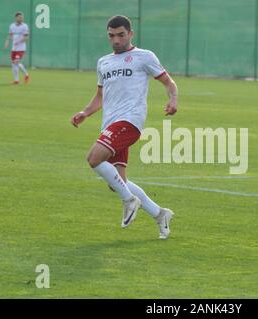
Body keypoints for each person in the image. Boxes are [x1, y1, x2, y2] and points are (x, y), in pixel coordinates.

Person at [71, 15, 178, 239]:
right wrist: (85, 112)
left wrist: (173, 99)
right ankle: (160, 214)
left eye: (121, 35)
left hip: (130, 121)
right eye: (112, 35)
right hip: (110, 124)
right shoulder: (104, 62)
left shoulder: (144, 57)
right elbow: (100, 95)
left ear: (131, 34)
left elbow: (168, 81)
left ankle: (129, 201)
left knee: (93, 158)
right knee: (119, 182)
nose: (116, 40)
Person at [4, 12, 30, 84]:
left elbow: (26, 37)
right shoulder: (12, 26)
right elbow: (10, 35)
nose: (21, 18)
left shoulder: (25, 26)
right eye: (20, 17)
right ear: (16, 18)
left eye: (22, 17)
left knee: (16, 62)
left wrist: (19, 41)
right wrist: (7, 41)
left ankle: (26, 74)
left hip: (21, 48)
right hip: (14, 48)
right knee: (13, 63)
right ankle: (16, 80)